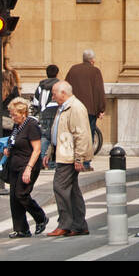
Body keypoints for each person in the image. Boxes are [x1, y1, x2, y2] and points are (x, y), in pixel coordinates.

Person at [44, 80, 91, 237]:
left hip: (69, 155)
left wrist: (79, 158)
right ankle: (78, 225)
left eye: (54, 93)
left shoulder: (75, 107)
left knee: (60, 187)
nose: (52, 97)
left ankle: (65, 224)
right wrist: (50, 151)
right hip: (63, 152)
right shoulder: (63, 107)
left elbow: (81, 134)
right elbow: (57, 131)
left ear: (63, 93)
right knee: (72, 190)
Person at [5, 99, 47, 238]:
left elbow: (37, 149)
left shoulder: (31, 125)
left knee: (21, 194)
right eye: (11, 114)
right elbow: (13, 141)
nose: (12, 117)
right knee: (14, 198)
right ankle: (21, 229)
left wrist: (29, 168)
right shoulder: (17, 125)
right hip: (15, 164)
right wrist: (8, 148)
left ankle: (40, 217)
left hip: (28, 164)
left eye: (14, 114)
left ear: (23, 113)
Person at [65, 50, 107, 156]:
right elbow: (99, 91)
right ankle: (86, 161)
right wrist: (101, 109)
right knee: (88, 134)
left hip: (73, 108)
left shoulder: (73, 69)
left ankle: (73, 158)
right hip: (90, 110)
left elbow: (65, 87)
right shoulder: (95, 71)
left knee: (74, 133)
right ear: (92, 60)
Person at [31, 64, 61, 160]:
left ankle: (40, 160)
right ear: (57, 73)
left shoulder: (41, 86)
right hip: (56, 113)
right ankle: (53, 161)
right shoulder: (59, 85)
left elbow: (35, 102)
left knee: (44, 137)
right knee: (57, 137)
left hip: (43, 114)